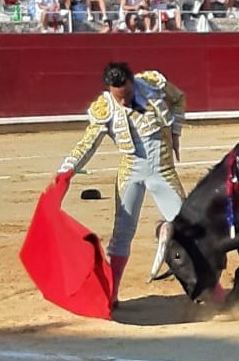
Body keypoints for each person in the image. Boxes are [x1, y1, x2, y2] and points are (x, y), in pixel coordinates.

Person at [56, 62, 187, 306]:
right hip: (131, 172)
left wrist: (176, 132)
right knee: (121, 235)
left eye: (126, 95)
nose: (124, 102)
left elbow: (179, 99)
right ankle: (112, 294)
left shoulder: (152, 84)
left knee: (191, 229)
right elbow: (88, 143)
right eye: (118, 97)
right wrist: (67, 170)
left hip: (162, 170)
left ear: (131, 82)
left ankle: (211, 290)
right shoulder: (106, 106)